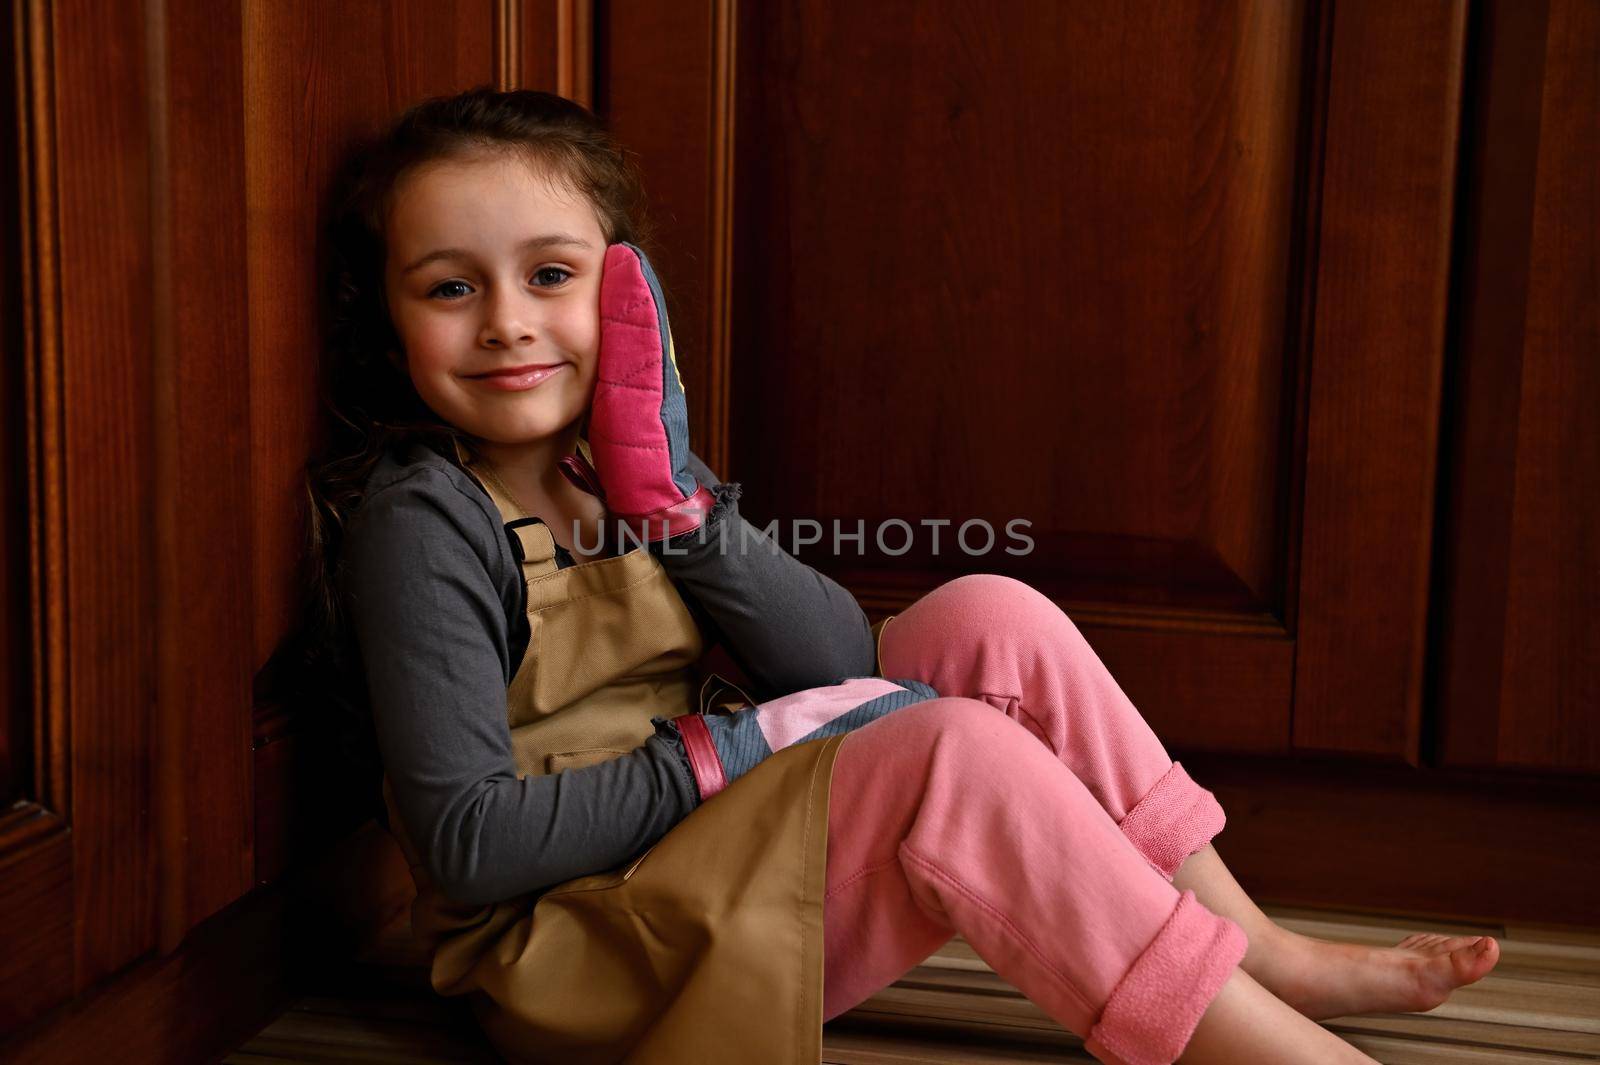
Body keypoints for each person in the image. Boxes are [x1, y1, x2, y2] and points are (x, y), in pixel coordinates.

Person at [284, 87, 1499, 1064]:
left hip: (703, 878)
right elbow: (469, 849)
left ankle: (1250, 946)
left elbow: (840, 670)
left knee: (988, 613)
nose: (505, 321)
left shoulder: (628, 449)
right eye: (451, 287)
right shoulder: (426, 521)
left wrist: (679, 511)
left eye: (549, 275)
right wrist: (723, 755)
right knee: (949, 756)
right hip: (580, 955)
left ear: (623, 292)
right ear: (394, 326)